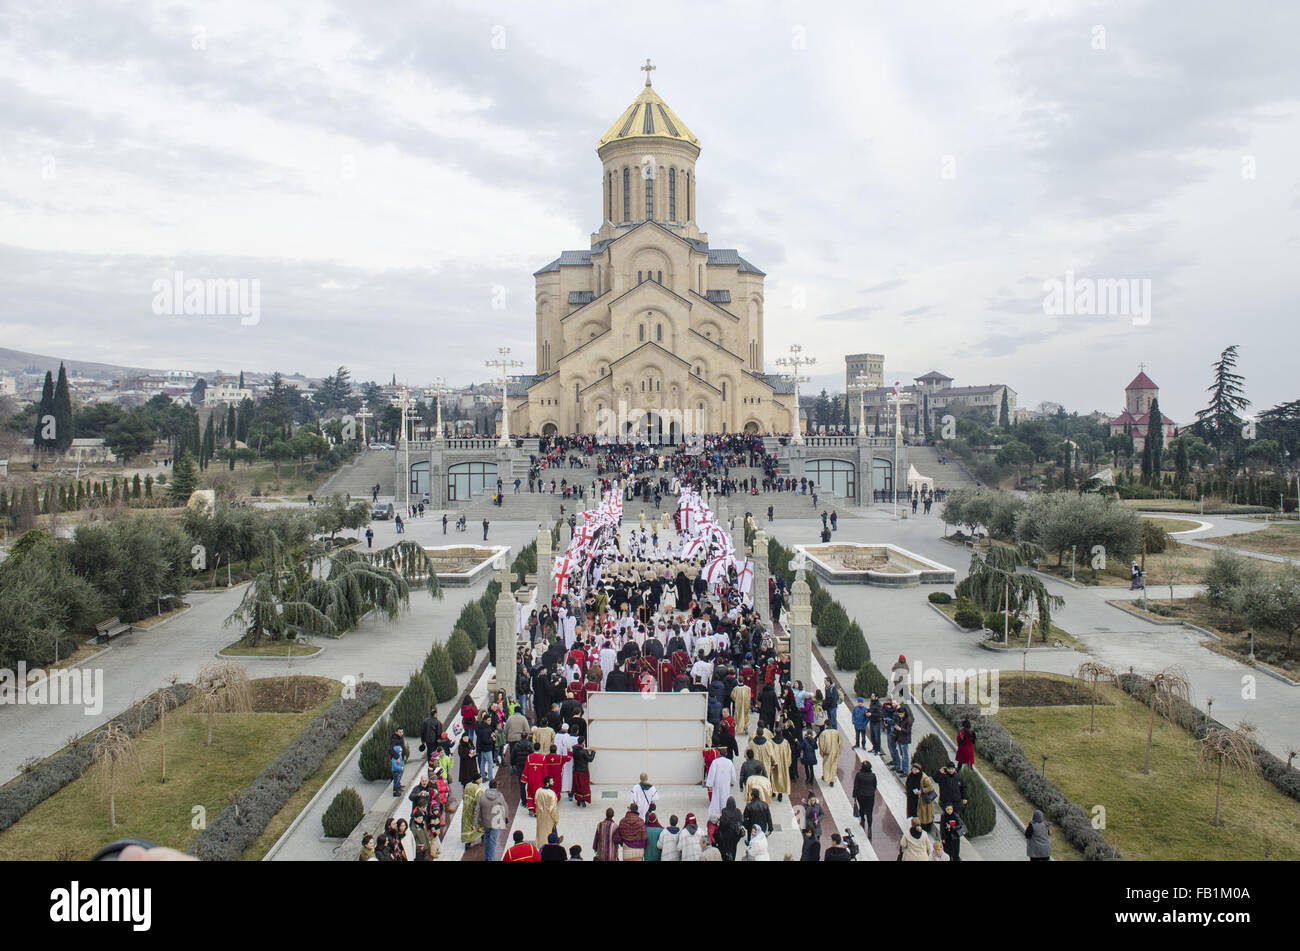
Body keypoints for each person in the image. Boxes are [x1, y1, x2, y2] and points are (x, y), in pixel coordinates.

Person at [477, 779, 508, 861]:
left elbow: (477, 810)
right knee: (493, 841)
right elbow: (505, 806)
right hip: (496, 821)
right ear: (496, 786)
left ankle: (487, 857)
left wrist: (475, 823)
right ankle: (491, 859)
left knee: (487, 838)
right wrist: (506, 817)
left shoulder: (483, 795)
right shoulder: (500, 795)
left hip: (486, 821)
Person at [852, 760, 877, 840]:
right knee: (869, 811)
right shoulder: (873, 775)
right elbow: (875, 785)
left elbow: (856, 785)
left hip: (861, 795)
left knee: (862, 808)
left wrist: (854, 795)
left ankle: (862, 820)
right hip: (870, 796)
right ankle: (869, 828)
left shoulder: (859, 775)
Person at [534, 776, 560, 847]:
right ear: (547, 783)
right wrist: (556, 818)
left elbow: (536, 802)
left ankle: (540, 843)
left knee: (541, 831)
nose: (553, 782)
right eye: (552, 781)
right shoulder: (551, 794)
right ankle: (550, 844)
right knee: (549, 830)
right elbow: (553, 809)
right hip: (549, 817)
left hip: (540, 816)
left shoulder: (538, 791)